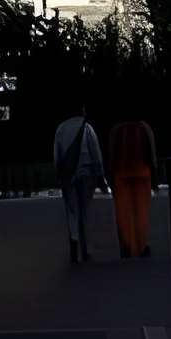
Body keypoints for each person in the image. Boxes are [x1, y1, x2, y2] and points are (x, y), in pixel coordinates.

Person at [53, 107, 104, 265]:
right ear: (81, 111)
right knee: (85, 211)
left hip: (68, 176)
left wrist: (59, 174)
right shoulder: (87, 127)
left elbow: (57, 155)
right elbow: (95, 151)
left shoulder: (61, 128)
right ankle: (85, 249)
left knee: (72, 211)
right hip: (87, 173)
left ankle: (74, 246)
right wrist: (100, 174)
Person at [108, 115, 156, 259]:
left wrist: (110, 174)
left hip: (121, 175)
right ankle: (141, 246)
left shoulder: (116, 129)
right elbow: (151, 152)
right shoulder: (144, 127)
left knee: (123, 212)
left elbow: (112, 154)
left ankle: (127, 245)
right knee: (141, 211)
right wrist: (154, 172)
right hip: (142, 173)